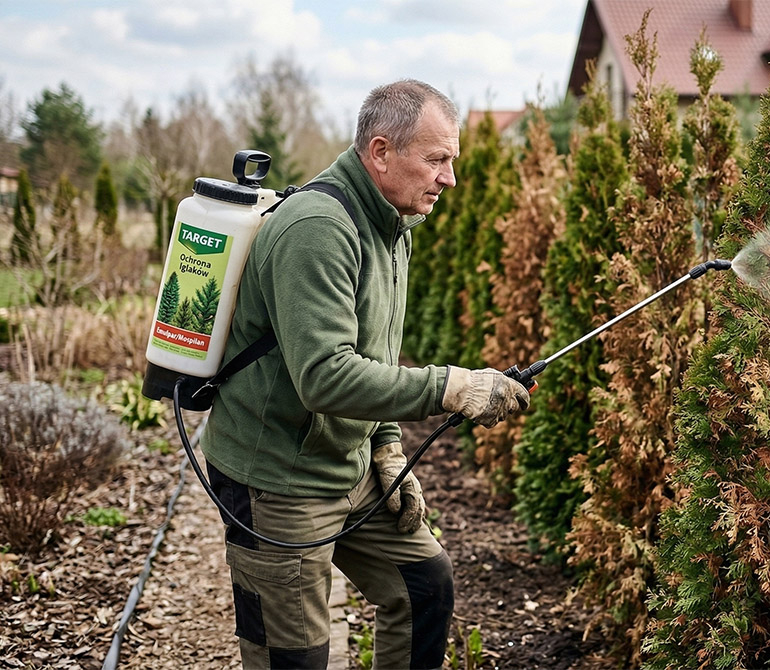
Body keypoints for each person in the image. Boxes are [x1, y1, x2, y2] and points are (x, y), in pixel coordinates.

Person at [201, 79, 531, 670]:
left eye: (450, 161)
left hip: (347, 466)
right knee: (294, 658)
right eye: (436, 160)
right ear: (380, 152)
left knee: (423, 587)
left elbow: (374, 353)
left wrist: (386, 446)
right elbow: (325, 377)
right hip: (275, 479)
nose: (449, 179)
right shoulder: (319, 230)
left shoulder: (393, 226)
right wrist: (452, 387)